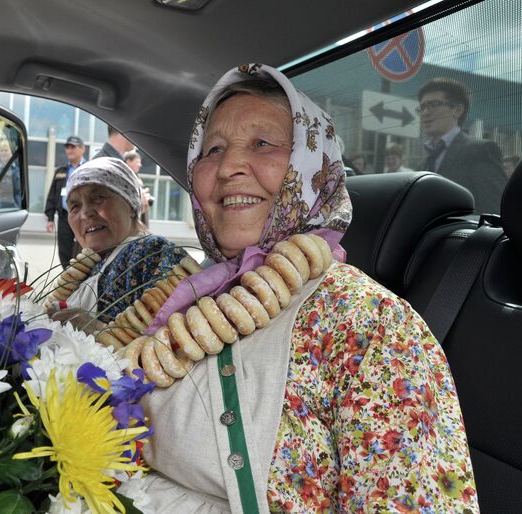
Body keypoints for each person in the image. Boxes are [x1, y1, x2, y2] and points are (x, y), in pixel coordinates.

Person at [139, 64, 478, 512]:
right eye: (212, 149)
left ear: (311, 165)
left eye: (262, 144)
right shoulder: (187, 299)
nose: (228, 168)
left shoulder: (370, 325)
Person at [56, 157, 188, 324]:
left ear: (131, 206)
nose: (85, 213)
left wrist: (92, 329)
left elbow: (167, 336)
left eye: (98, 198)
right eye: (75, 206)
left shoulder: (151, 252)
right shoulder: (88, 266)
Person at [417, 77, 506, 213]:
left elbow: (494, 210)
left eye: (434, 104)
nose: (425, 113)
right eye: (422, 107)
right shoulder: (422, 164)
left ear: (457, 110)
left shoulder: (480, 150)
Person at [45, 135, 86, 268]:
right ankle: (68, 275)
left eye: (73, 147)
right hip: (64, 216)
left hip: (84, 216)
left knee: (84, 248)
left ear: (82, 149)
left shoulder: (89, 168)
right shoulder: (61, 171)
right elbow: (52, 195)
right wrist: (50, 218)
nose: (69, 150)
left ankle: (81, 278)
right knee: (64, 251)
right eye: (67, 147)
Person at [123, 149, 154, 226]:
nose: (140, 165)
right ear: (128, 161)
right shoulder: (124, 177)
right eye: (137, 162)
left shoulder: (136, 177)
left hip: (140, 218)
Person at [0, 138, 22, 208]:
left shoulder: (17, 171)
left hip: (10, 208)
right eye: (1, 151)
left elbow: (18, 193)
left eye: (6, 150)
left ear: (11, 152)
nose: (4, 153)